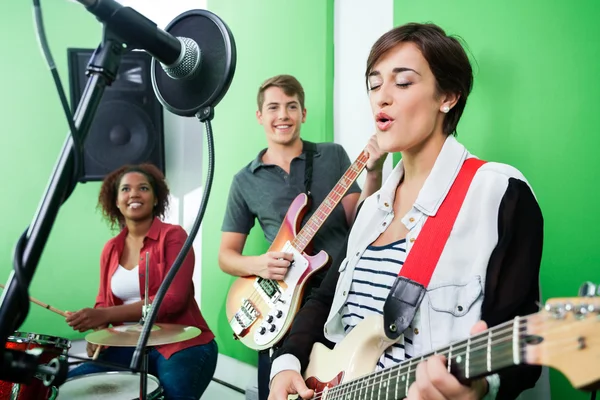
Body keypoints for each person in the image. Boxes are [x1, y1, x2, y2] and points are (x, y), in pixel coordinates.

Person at [268, 23, 543, 400]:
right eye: (374, 83)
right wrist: (285, 365)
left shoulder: (497, 193)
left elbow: (525, 347)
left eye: (403, 82)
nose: (381, 97)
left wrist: (480, 386)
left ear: (448, 96)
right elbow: (323, 300)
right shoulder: (369, 212)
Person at [218, 74, 386, 400]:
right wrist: (262, 265)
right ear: (260, 116)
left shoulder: (332, 155)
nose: (283, 115)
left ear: (303, 113)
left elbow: (359, 219)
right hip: (280, 303)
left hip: (338, 295)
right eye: (274, 107)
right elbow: (226, 256)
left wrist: (374, 172)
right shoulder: (244, 181)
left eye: (291, 106)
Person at [66, 163, 217, 400]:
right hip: (127, 346)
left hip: (181, 345)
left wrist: (105, 316)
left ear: (156, 198)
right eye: (125, 189)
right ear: (116, 201)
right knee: (72, 385)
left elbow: (173, 300)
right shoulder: (111, 249)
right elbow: (103, 303)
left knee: (173, 393)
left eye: (143, 188)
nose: (134, 194)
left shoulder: (173, 236)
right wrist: (98, 331)